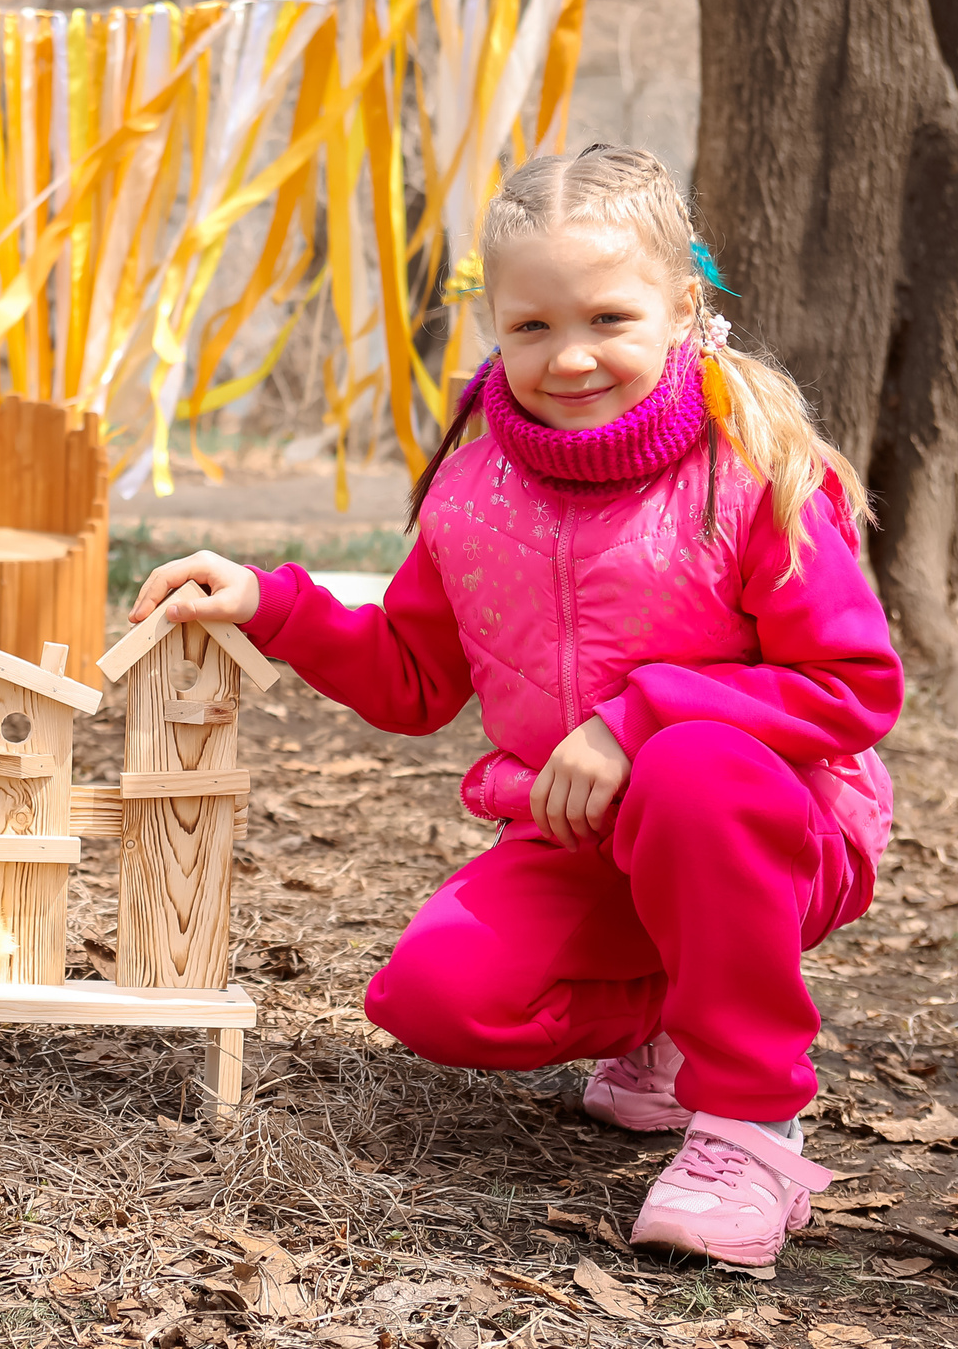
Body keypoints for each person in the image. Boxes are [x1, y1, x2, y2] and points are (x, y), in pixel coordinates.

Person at [127, 145, 901, 1267]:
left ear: (684, 307)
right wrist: (270, 603)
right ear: (494, 322)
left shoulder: (750, 476)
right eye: (532, 327)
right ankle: (672, 1025)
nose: (571, 356)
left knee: (691, 766)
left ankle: (748, 1122)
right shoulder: (471, 484)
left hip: (771, 830)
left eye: (609, 318)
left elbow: (853, 687)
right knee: (434, 998)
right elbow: (413, 678)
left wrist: (634, 719)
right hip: (586, 842)